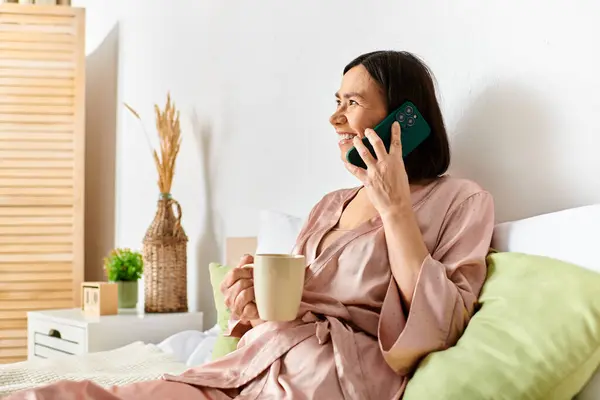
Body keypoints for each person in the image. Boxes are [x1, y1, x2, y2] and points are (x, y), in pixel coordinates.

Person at [6, 50, 495, 400]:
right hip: (254, 360)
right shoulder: (330, 205)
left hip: (326, 376)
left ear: (404, 118)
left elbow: (442, 325)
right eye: (336, 100)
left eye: (351, 102)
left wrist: (395, 210)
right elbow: (281, 310)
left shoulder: (460, 200)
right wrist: (253, 302)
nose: (334, 118)